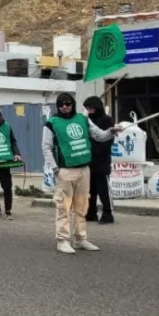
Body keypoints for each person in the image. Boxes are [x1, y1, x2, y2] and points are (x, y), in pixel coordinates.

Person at [42, 92, 119, 254]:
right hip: (65, 171)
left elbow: (99, 135)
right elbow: (46, 147)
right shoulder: (51, 123)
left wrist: (112, 130)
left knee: (81, 207)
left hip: (84, 169)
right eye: (61, 104)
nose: (65, 107)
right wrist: (55, 168)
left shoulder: (83, 119)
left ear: (73, 104)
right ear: (58, 106)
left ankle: (80, 239)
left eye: (68, 103)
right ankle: (62, 240)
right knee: (63, 207)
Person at [83, 96, 115, 224]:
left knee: (103, 189)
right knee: (90, 189)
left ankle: (108, 213)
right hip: (89, 161)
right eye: (88, 108)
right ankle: (91, 212)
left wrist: (96, 150)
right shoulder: (87, 121)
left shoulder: (107, 120)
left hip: (102, 160)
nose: (90, 110)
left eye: (91, 108)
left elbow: (108, 138)